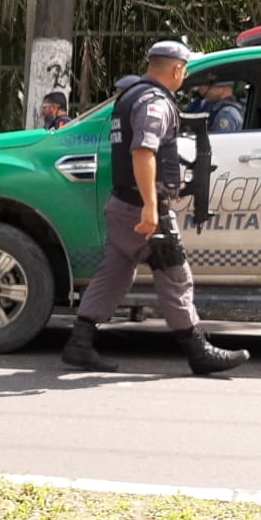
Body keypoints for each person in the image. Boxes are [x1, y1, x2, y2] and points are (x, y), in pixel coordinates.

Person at [61, 40, 250, 375]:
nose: (185, 75)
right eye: (185, 70)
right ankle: (198, 351)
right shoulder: (155, 103)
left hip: (121, 204)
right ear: (177, 69)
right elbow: (143, 152)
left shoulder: (130, 96)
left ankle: (79, 343)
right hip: (142, 209)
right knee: (176, 276)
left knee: (114, 275)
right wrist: (151, 206)